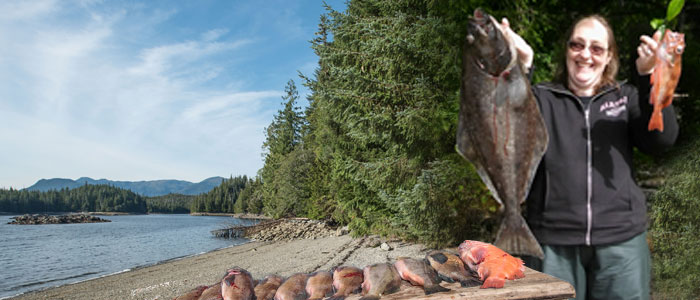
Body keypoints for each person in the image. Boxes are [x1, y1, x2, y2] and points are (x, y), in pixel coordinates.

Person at [500, 14, 679, 300]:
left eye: (597, 48)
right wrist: (522, 64)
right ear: (567, 50)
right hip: (552, 244)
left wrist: (647, 77)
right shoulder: (541, 97)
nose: (586, 55)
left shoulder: (627, 97)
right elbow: (504, 132)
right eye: (577, 45)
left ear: (609, 57)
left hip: (622, 244)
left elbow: (662, 140)